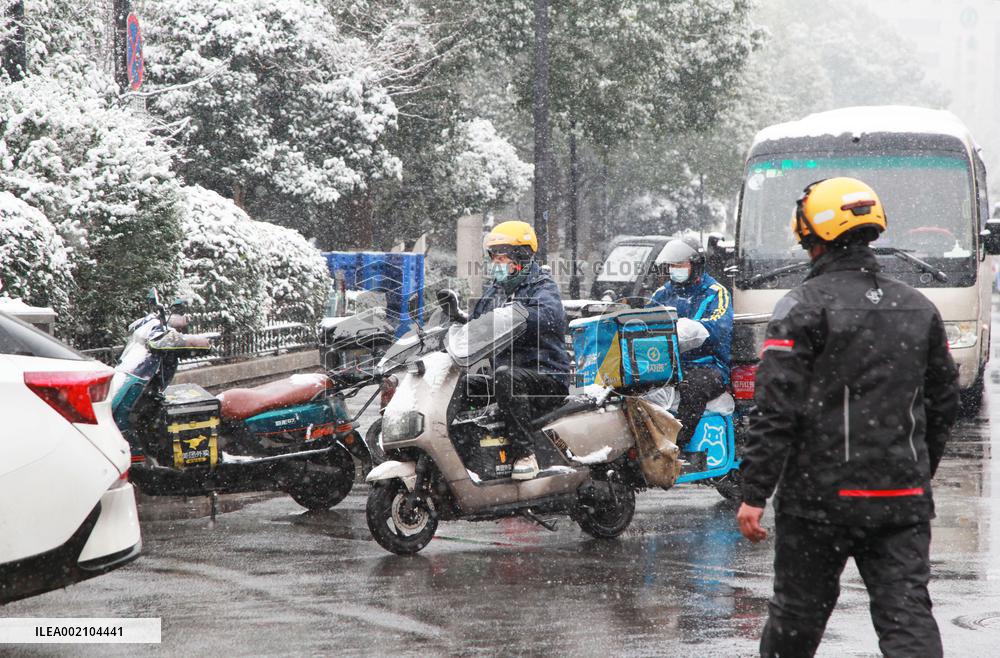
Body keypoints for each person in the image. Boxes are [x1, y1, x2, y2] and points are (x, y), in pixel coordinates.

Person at [736, 177, 960, 657]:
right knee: (907, 619)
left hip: (818, 501)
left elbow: (775, 409)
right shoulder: (918, 307)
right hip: (900, 498)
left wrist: (754, 492)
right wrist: (917, 470)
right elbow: (943, 403)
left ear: (810, 231)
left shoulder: (801, 307)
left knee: (796, 619)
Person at [472, 221, 571, 480]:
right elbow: (478, 319)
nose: (496, 263)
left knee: (506, 377)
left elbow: (550, 316)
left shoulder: (542, 286)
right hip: (508, 374)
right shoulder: (497, 289)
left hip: (545, 377)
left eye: (502, 257)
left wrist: (515, 316)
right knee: (465, 383)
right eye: (493, 257)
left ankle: (525, 454)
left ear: (521, 257)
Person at [647, 236, 733, 470]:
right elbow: (645, 320)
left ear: (695, 265)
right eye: (672, 266)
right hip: (671, 365)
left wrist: (692, 331)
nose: (676, 271)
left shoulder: (716, 293)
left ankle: (678, 447)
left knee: (692, 387)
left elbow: (719, 327)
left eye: (681, 265)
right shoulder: (663, 294)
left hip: (709, 366)